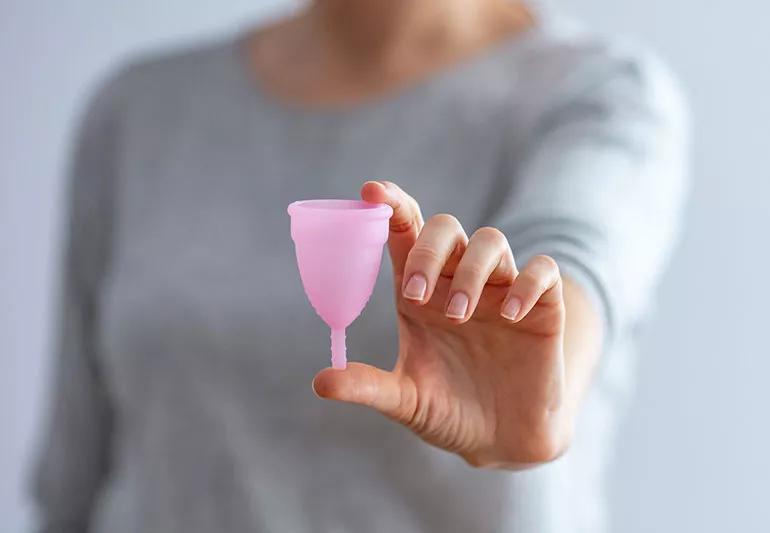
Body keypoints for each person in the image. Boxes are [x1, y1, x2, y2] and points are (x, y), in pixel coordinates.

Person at [32, 1, 689, 532]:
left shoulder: (596, 96)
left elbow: (571, 255)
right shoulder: (140, 110)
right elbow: (72, 475)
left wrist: (544, 382)